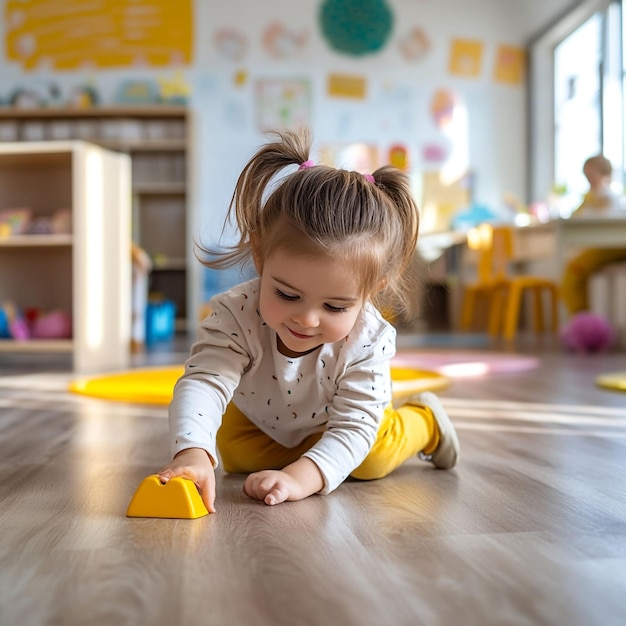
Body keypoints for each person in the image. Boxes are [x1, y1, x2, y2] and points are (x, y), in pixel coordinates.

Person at [157, 128, 460, 512]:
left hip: (340, 417)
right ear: (261, 256)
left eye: (335, 307)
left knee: (371, 460)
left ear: (372, 290)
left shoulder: (368, 336)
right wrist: (192, 452)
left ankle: (425, 420)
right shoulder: (235, 313)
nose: (307, 319)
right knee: (235, 458)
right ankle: (305, 456)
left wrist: (302, 478)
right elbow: (205, 381)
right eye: (287, 294)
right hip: (261, 418)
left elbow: (355, 426)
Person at [561, 154, 626, 314]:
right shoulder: (590, 199)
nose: (589, 181)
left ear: (604, 175)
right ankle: (582, 319)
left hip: (613, 245)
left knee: (574, 270)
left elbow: (604, 223)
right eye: (586, 176)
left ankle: (581, 320)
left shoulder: (608, 197)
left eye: (591, 176)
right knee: (574, 269)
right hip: (601, 246)